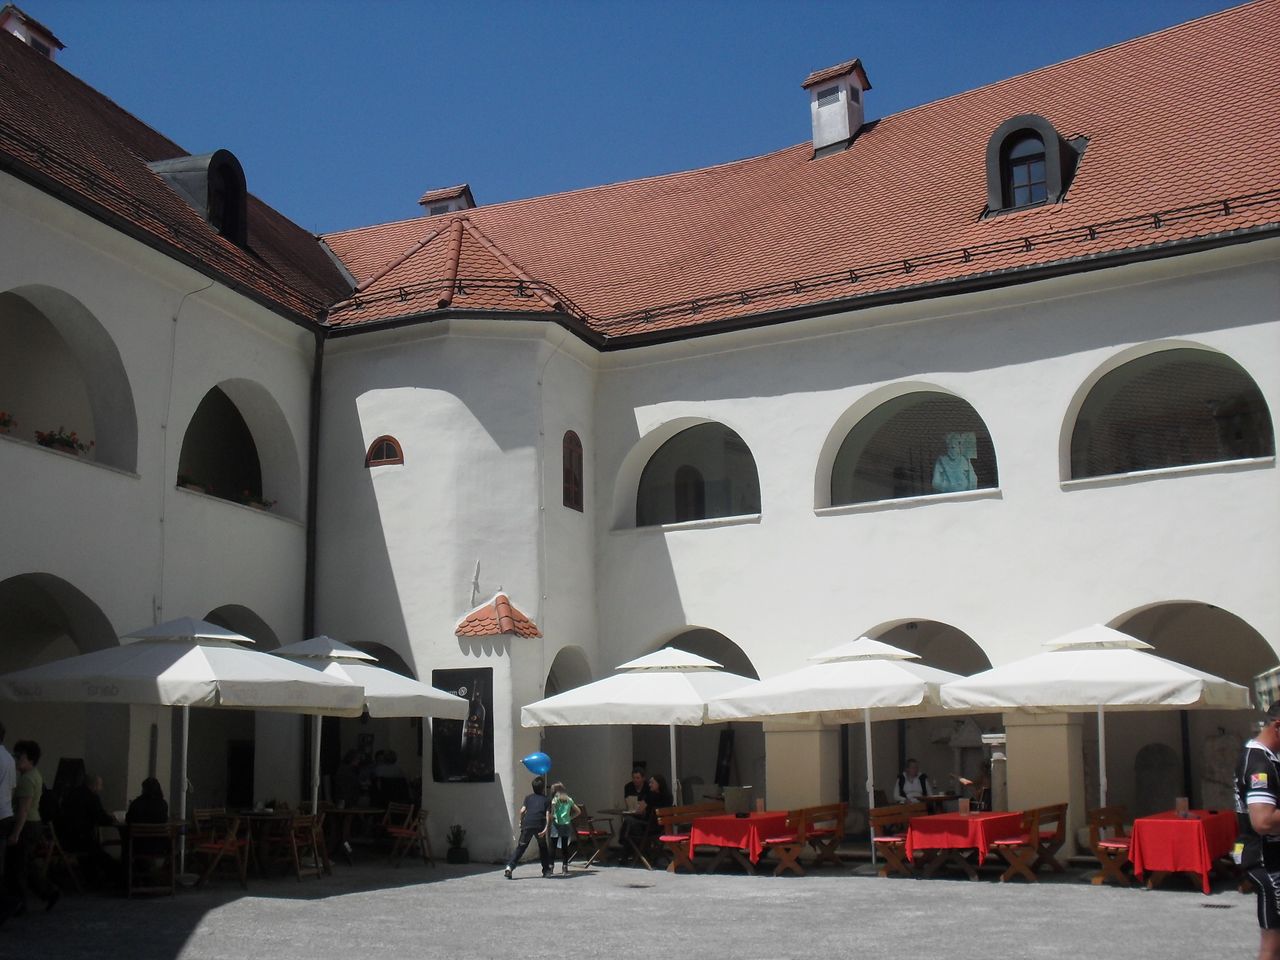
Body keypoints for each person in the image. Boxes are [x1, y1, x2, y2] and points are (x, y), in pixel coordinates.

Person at [1236, 700, 1280, 960]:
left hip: (1272, 857)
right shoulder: (1259, 763)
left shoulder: (1269, 757)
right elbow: (1262, 821)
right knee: (1273, 947)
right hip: (1267, 861)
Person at [5, 740, 60, 915]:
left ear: (30, 759)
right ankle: (48, 891)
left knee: (17, 867)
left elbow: (23, 809)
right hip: (33, 824)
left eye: (19, 756)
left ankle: (19, 903)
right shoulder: (35, 775)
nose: (15, 759)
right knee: (25, 865)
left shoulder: (26, 780)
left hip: (26, 825)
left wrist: (15, 833)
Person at [55, 771, 118, 886]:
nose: (101, 788)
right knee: (100, 854)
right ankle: (118, 878)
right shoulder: (92, 797)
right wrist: (112, 818)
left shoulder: (71, 794)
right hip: (81, 839)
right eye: (100, 785)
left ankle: (92, 878)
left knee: (93, 852)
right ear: (93, 785)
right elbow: (101, 818)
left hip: (65, 837)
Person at [503, 775, 552, 879]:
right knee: (543, 847)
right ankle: (546, 870)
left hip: (528, 824)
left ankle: (509, 867)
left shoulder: (528, 798)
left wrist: (521, 821)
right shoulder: (546, 800)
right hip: (539, 825)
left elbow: (522, 811)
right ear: (543, 788)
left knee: (521, 847)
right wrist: (546, 829)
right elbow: (548, 815)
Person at [618, 773, 672, 859]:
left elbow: (639, 810)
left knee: (628, 821)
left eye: (652, 783)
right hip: (661, 828)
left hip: (649, 828)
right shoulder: (668, 796)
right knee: (630, 827)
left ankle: (625, 847)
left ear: (659, 784)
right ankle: (633, 851)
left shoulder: (651, 795)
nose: (649, 785)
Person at [548, 781, 581, 875]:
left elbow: (552, 812)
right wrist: (570, 817)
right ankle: (565, 867)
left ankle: (551, 867)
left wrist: (551, 818)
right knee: (564, 847)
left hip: (556, 824)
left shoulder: (555, 800)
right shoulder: (569, 800)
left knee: (553, 846)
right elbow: (578, 811)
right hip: (566, 824)